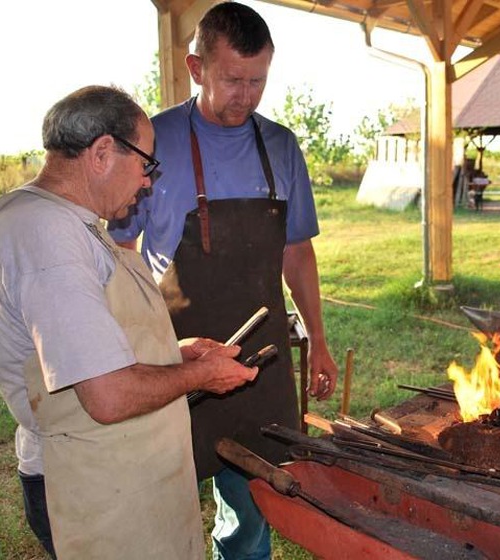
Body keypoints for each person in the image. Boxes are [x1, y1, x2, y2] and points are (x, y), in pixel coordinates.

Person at [0, 85, 260, 559]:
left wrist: (175, 354)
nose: (147, 182)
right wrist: (202, 375)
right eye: (146, 164)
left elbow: (82, 353)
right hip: (89, 480)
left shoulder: (46, 220)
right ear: (101, 153)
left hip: (110, 468)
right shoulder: (47, 237)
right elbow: (107, 395)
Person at [107, 2, 339, 558]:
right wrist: (126, 348)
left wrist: (320, 343)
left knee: (251, 504)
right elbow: (119, 251)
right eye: (232, 79)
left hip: (257, 357)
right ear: (196, 67)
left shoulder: (281, 146)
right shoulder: (151, 145)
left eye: (258, 81)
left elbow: (297, 252)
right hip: (173, 353)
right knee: (161, 500)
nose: (246, 95)